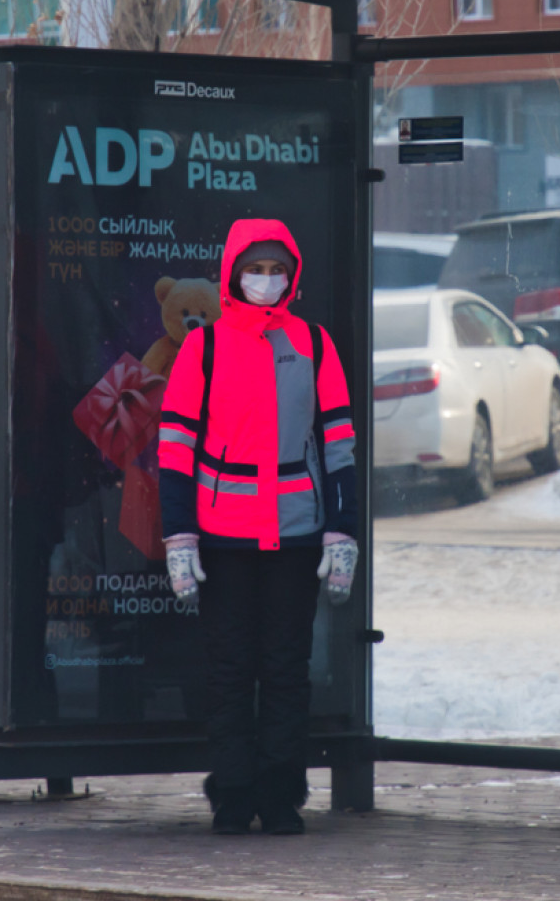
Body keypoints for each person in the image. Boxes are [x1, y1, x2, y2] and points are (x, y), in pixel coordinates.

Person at [157, 220, 359, 836]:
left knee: (286, 667)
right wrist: (180, 536)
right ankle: (232, 793)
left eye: (277, 269)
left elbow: (339, 443)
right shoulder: (205, 346)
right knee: (228, 667)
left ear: (291, 274)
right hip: (223, 535)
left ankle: (280, 793)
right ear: (233, 273)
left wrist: (342, 530)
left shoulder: (315, 344)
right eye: (255, 268)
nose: (266, 280)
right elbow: (175, 444)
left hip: (297, 532)